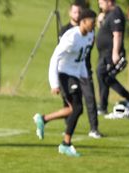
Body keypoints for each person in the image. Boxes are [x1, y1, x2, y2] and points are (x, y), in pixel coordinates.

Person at [33, 8, 96, 157]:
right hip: (64, 74)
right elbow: (54, 58)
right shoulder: (71, 37)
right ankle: (65, 144)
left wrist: (84, 76)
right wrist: (54, 83)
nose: (94, 26)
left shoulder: (90, 35)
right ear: (83, 22)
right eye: (92, 22)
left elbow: (81, 60)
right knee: (78, 108)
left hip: (75, 75)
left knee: (73, 109)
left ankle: (43, 119)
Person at [60, 1, 101, 138]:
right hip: (69, 73)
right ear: (70, 13)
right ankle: (67, 130)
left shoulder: (89, 32)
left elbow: (88, 49)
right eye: (75, 12)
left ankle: (94, 128)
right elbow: (58, 55)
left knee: (89, 98)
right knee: (74, 104)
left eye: (79, 12)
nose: (76, 14)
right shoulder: (67, 31)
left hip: (84, 70)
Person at [95, 0, 129, 116]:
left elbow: (117, 34)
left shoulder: (116, 14)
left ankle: (127, 97)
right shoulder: (108, 14)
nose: (99, 3)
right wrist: (100, 20)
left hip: (110, 53)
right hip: (104, 53)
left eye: (101, 1)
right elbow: (103, 29)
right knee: (104, 76)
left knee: (104, 75)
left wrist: (115, 53)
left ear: (109, 2)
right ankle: (103, 106)